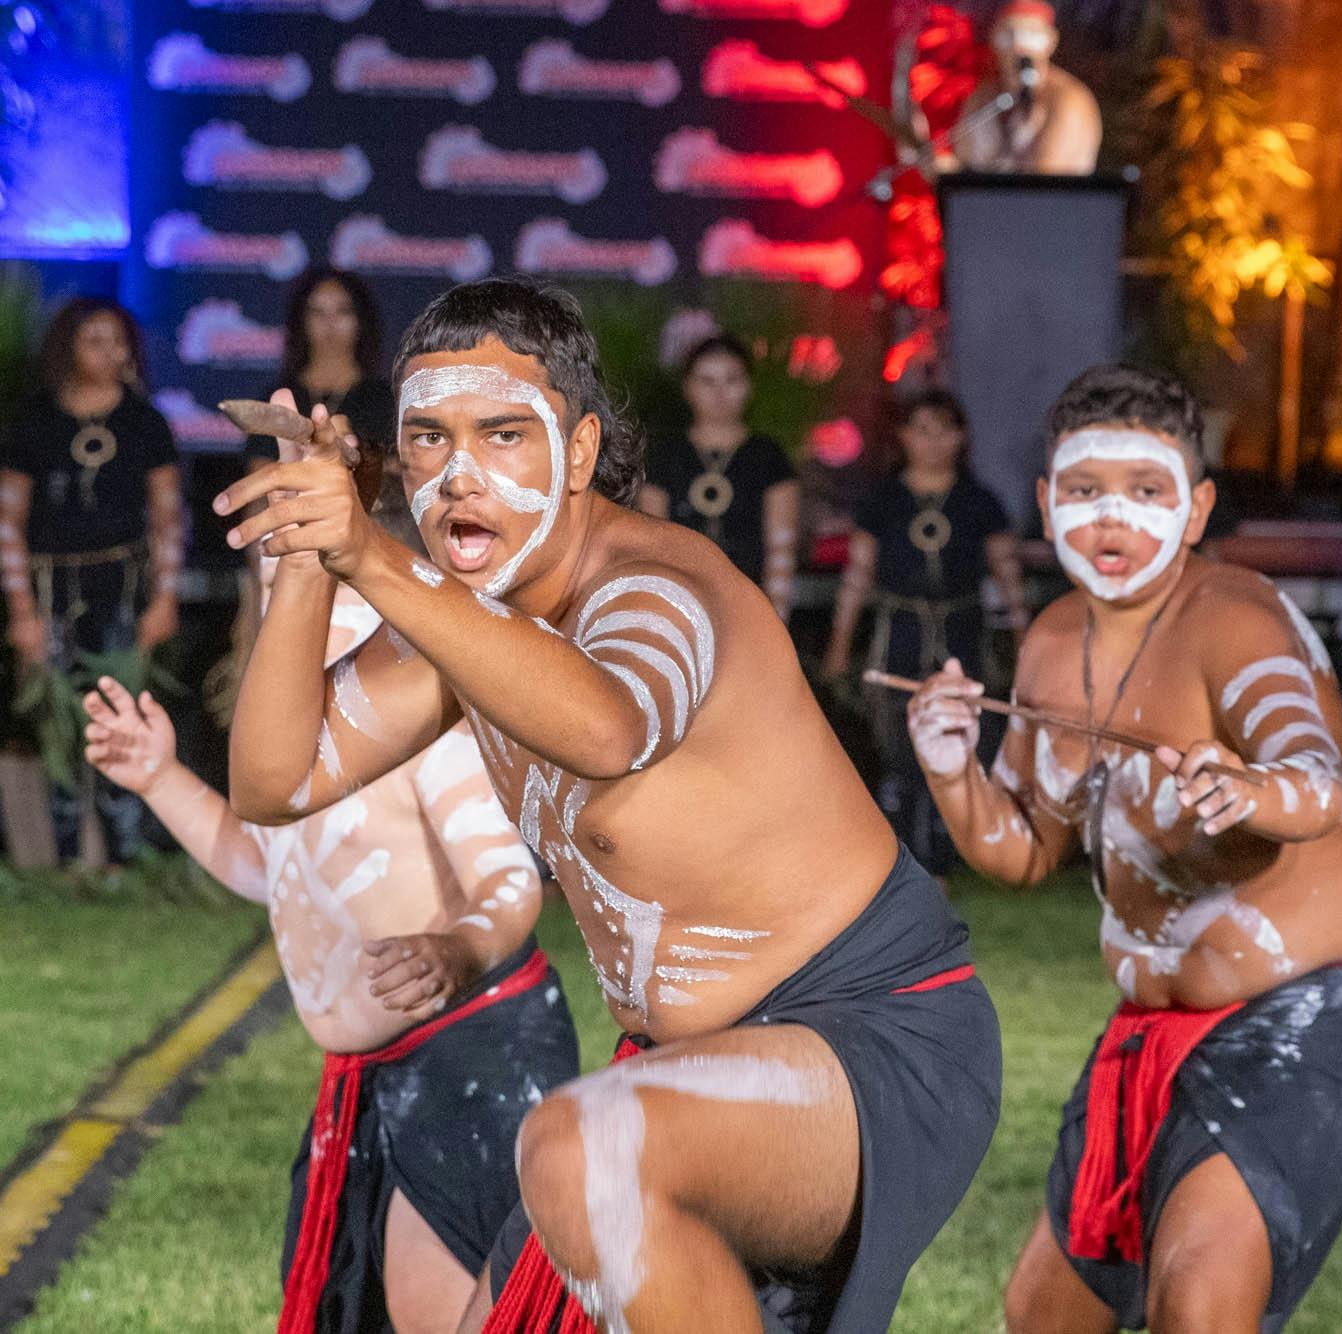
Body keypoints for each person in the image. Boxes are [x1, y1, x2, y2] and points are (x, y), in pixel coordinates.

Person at [213, 278, 1000, 1334]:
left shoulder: (656, 585)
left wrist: (373, 553)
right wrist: (307, 563)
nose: (459, 474)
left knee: (578, 1146)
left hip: (869, 1033)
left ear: (579, 452)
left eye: (502, 433)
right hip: (680, 1070)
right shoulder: (461, 623)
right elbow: (275, 780)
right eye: (428, 439)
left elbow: (609, 727)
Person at [905, 364, 1342, 1333]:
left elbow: (1319, 773)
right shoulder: (1054, 639)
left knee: (1199, 1302)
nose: (1113, 518)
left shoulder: (1233, 614)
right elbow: (1021, 851)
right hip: (1147, 1027)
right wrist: (950, 770)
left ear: (1195, 510)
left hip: (1309, 1004)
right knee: (1044, 1312)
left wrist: (1251, 785)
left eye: (1145, 491)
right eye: (1086, 491)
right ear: (1048, 505)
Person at [83, 511, 577, 1333]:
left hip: (469, 1054)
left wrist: (457, 947)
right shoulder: (283, 750)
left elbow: (508, 881)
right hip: (367, 1078)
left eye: (318, 582)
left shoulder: (423, 727)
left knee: (443, 1313)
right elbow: (269, 871)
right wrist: (161, 779)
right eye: (277, 585)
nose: (295, 605)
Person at [0, 297, 183, 863]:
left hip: (123, 593)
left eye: (119, 340)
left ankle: (124, 862)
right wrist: (22, 611)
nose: (111, 352)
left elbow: (168, 517)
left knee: (122, 719)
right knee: (60, 724)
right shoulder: (36, 421)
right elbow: (8, 520)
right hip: (51, 591)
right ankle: (62, 862)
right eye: (95, 340)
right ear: (67, 348)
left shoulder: (144, 422)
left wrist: (165, 597)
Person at [823, 389, 1027, 874]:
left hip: (962, 629)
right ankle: (897, 854)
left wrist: (1025, 644)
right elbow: (857, 578)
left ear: (961, 437)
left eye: (944, 429)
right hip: (900, 632)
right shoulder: (883, 501)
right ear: (904, 436)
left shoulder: (979, 502)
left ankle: (953, 848)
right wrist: (839, 646)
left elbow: (1008, 578)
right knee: (894, 739)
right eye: (921, 429)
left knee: (963, 731)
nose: (932, 441)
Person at [636, 333, 800, 621]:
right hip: (680, 605)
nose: (720, 393)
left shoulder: (767, 456)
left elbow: (781, 549)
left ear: (748, 385)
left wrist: (775, 622)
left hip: (750, 606)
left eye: (731, 380)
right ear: (687, 387)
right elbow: (653, 545)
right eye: (707, 381)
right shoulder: (666, 454)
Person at [246, 266, 396, 467]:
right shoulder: (279, 398)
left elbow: (397, 481)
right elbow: (259, 480)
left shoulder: (385, 401)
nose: (330, 323)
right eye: (317, 311)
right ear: (302, 320)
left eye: (343, 311)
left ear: (361, 320)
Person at [946, 0, 1101, 175]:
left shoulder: (1068, 100)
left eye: (1031, 36)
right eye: (1009, 36)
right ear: (994, 40)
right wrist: (946, 172)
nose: (1019, 48)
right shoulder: (983, 98)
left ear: (1051, 41)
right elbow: (965, 169)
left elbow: (1042, 187)